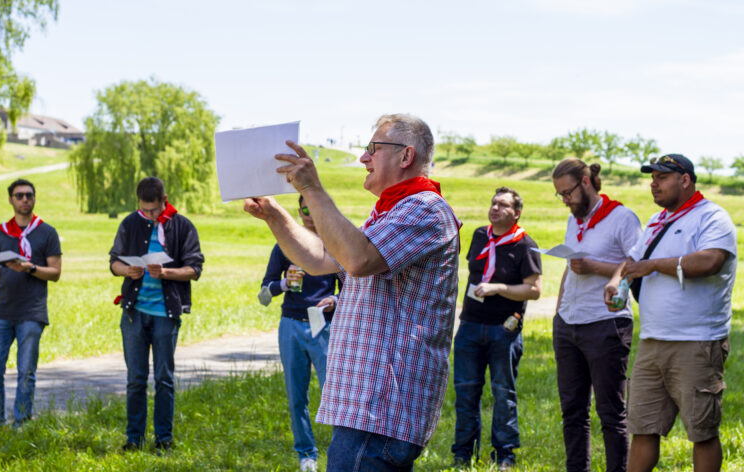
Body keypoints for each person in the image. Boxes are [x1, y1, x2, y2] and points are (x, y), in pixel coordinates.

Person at [244, 114, 461, 471]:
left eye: (373, 149)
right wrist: (274, 215)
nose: (363, 158)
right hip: (369, 409)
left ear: (406, 156)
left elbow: (358, 259)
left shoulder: (424, 209)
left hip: (382, 410)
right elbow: (323, 260)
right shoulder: (391, 212)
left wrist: (312, 189)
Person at [605, 154, 736, 472]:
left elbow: (709, 262)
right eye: (652, 178)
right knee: (643, 427)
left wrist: (651, 266)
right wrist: (615, 281)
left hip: (697, 342)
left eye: (661, 177)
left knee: (701, 432)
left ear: (685, 179)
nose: (654, 183)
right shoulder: (655, 222)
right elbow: (632, 261)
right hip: (651, 342)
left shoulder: (713, 218)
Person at [552, 159, 642, 472]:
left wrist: (594, 267)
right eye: (560, 195)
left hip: (606, 324)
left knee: (611, 413)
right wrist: (558, 313)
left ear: (586, 181)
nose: (565, 200)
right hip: (569, 323)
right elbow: (569, 266)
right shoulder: (573, 220)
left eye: (568, 192)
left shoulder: (622, 218)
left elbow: (635, 266)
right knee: (573, 412)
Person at [109, 176, 204, 450]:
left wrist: (166, 273)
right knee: (135, 379)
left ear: (165, 200)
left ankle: (164, 439)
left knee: (164, 378)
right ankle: (133, 439)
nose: (149, 215)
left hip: (166, 312)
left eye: (154, 209)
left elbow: (194, 269)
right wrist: (127, 270)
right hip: (134, 312)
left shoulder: (182, 226)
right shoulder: (130, 223)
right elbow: (114, 261)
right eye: (144, 209)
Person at [452, 186, 542, 470]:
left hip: (503, 330)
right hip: (469, 325)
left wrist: (499, 288)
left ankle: (504, 454)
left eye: (503, 205)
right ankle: (463, 453)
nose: (495, 208)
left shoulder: (525, 245)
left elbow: (534, 290)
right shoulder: (480, 235)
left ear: (516, 213)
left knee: (503, 392)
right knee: (466, 391)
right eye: (493, 203)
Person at [258, 195, 341, 472]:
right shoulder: (285, 246)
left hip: (323, 325)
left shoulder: (334, 244)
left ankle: (340, 450)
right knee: (297, 395)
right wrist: (283, 282)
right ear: (298, 210)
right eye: (303, 209)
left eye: (313, 208)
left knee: (333, 392)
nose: (308, 214)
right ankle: (306, 454)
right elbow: (263, 295)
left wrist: (335, 301)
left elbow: (353, 289)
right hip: (291, 324)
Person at [0, 178, 62, 426]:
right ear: (11, 199)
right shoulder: (0, 232)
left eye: (29, 195)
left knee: (26, 372)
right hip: (1, 310)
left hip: (32, 312)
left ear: (34, 199)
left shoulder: (47, 232)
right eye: (19, 195)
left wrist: (30, 267)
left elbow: (55, 273)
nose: (25, 199)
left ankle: (21, 424)